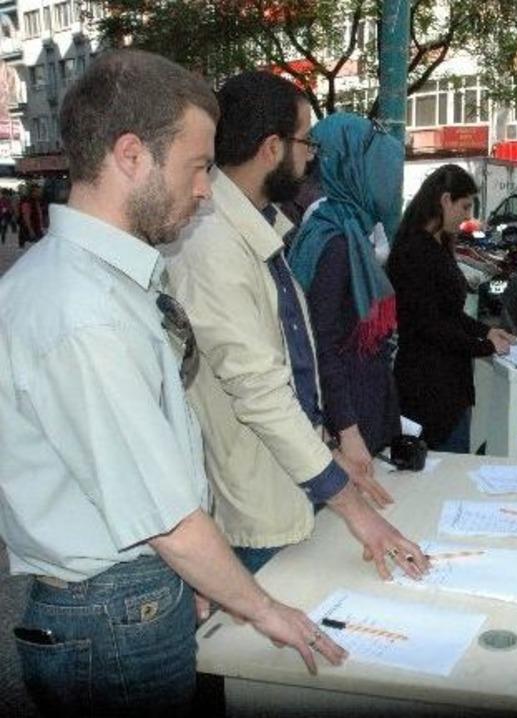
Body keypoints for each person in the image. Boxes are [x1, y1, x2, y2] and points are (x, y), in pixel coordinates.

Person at [0, 49, 346, 718]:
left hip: (129, 595)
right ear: (132, 155)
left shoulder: (92, 284)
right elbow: (167, 518)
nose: (205, 190)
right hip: (115, 613)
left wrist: (187, 578)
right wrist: (265, 608)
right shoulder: (83, 313)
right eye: (196, 166)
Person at [165, 71, 428, 579]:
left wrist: (331, 454)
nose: (312, 156)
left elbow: (294, 371)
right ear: (271, 148)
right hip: (255, 512)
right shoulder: (211, 246)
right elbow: (260, 391)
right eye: (306, 141)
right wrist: (354, 509)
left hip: (291, 487)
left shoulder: (260, 227)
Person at [288, 113, 403, 466]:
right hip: (350, 432)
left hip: (364, 417)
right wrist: (349, 432)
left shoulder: (353, 234)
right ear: (352, 169)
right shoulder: (336, 243)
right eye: (379, 166)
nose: (392, 183)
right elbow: (321, 345)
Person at [387, 164, 517, 453]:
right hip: (427, 389)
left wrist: (488, 331)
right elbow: (429, 325)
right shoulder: (412, 252)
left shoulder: (439, 245)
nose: (468, 216)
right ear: (445, 200)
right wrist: (484, 345)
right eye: (465, 206)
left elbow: (451, 314)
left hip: (451, 385)